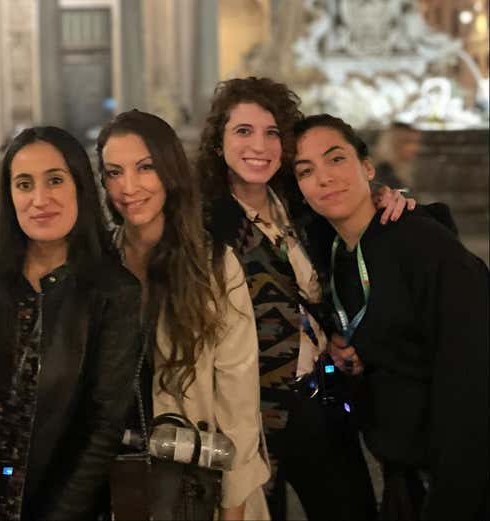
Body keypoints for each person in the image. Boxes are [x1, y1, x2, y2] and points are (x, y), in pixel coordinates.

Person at [195, 76, 413, 520]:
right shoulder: (205, 221)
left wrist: (385, 198)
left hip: (321, 396)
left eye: (272, 132)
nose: (259, 145)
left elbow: (325, 281)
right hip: (253, 416)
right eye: (243, 131)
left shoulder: (299, 206)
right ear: (219, 143)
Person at [293, 114, 489, 521]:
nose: (324, 178)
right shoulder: (333, 254)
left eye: (336, 159)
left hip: (453, 475)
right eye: (305, 171)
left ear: (368, 168)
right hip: (399, 472)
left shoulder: (423, 244)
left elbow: (470, 376)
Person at [0, 126, 142, 520]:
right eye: (24, 184)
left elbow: (102, 429)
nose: (40, 199)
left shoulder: (113, 292)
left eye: (55, 180)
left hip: (62, 504)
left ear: (80, 187)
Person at [96, 110, 270, 520]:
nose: (128, 187)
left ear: (170, 171)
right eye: (114, 173)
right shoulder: (98, 262)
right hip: (109, 481)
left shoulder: (212, 265)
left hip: (192, 483)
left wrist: (233, 506)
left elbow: (239, 400)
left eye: (145, 167)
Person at [372, 121, 421, 191]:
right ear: (391, 143)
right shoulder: (381, 174)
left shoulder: (402, 170)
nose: (415, 148)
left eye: (416, 142)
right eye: (407, 141)